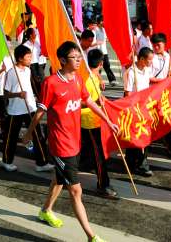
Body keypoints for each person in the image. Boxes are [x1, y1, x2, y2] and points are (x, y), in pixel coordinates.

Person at [22, 41, 118, 242]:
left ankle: (45, 210)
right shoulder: (51, 83)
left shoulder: (78, 79)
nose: (79, 60)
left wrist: (108, 121)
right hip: (60, 144)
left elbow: (89, 101)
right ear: (63, 60)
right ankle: (91, 236)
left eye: (80, 57)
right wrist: (29, 133)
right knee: (75, 190)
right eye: (75, 58)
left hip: (75, 141)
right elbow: (40, 111)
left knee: (59, 179)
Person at [2, 44, 53, 172]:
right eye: (28, 57)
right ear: (20, 58)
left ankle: (41, 163)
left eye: (31, 56)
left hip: (30, 107)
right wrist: (17, 95)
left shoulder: (28, 70)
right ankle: (7, 161)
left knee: (38, 136)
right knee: (11, 137)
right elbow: (5, 93)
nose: (30, 59)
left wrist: (36, 97)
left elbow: (30, 87)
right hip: (15, 111)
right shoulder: (11, 72)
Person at [80, 48, 119, 199]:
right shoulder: (86, 79)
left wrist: (105, 101)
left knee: (89, 150)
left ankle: (83, 165)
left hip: (96, 119)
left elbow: (98, 96)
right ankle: (103, 185)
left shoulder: (93, 76)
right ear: (101, 63)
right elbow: (79, 102)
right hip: (88, 122)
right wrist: (95, 102)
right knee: (99, 155)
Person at [123, 47, 154, 177]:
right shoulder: (131, 72)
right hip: (134, 109)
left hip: (145, 108)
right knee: (134, 137)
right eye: (149, 60)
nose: (151, 62)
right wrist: (136, 105)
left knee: (145, 136)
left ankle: (142, 163)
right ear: (141, 59)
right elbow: (127, 94)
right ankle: (132, 163)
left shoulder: (146, 70)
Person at [94, 16, 117, 86]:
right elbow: (94, 40)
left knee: (107, 65)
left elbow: (106, 39)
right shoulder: (95, 30)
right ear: (99, 22)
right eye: (103, 21)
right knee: (98, 67)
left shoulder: (104, 29)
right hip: (98, 51)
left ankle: (112, 80)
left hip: (104, 51)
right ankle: (97, 81)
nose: (104, 23)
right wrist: (98, 43)